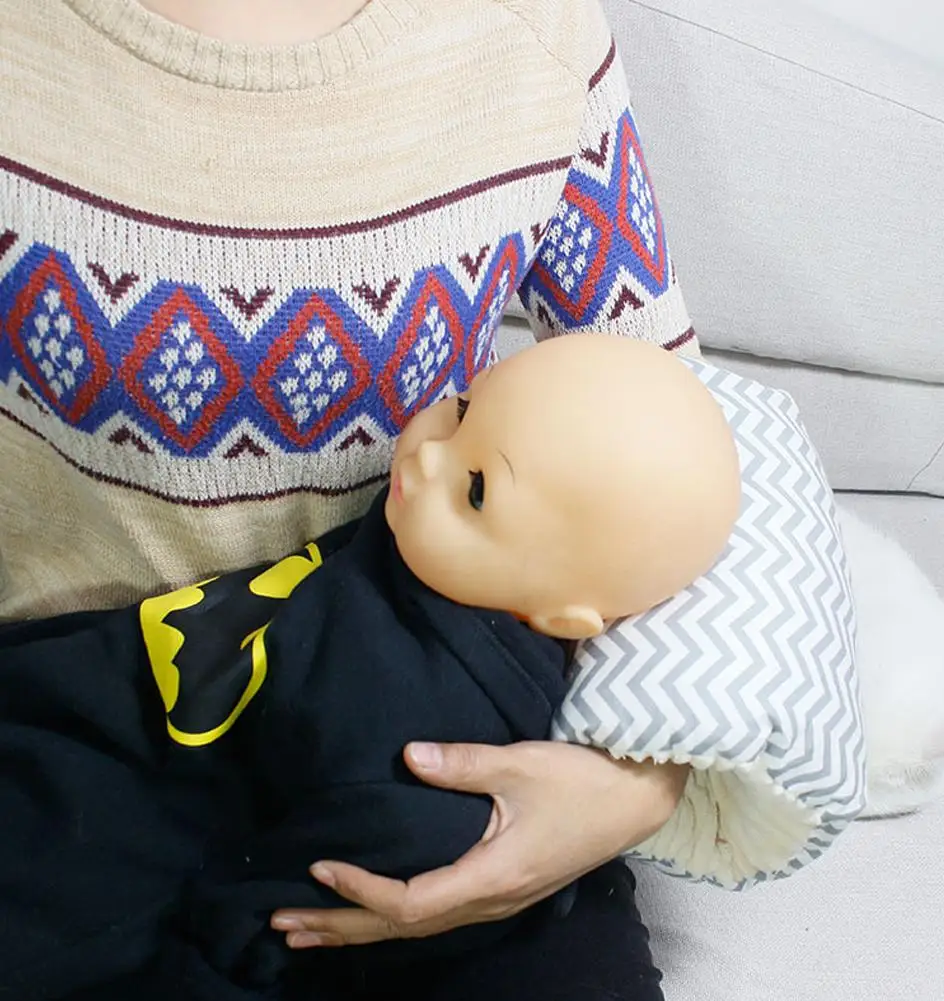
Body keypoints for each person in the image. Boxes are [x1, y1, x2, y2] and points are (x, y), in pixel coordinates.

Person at [0, 1, 700, 997]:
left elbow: (683, 437)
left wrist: (630, 786)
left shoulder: (528, 34)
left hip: (428, 745)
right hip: (72, 732)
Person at [0, 335, 740, 999]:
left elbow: (286, 911)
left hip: (154, 819)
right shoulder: (440, 554)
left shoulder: (418, 752)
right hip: (103, 691)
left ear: (562, 618)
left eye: (477, 487)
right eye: (460, 406)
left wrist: (646, 783)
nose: (425, 456)